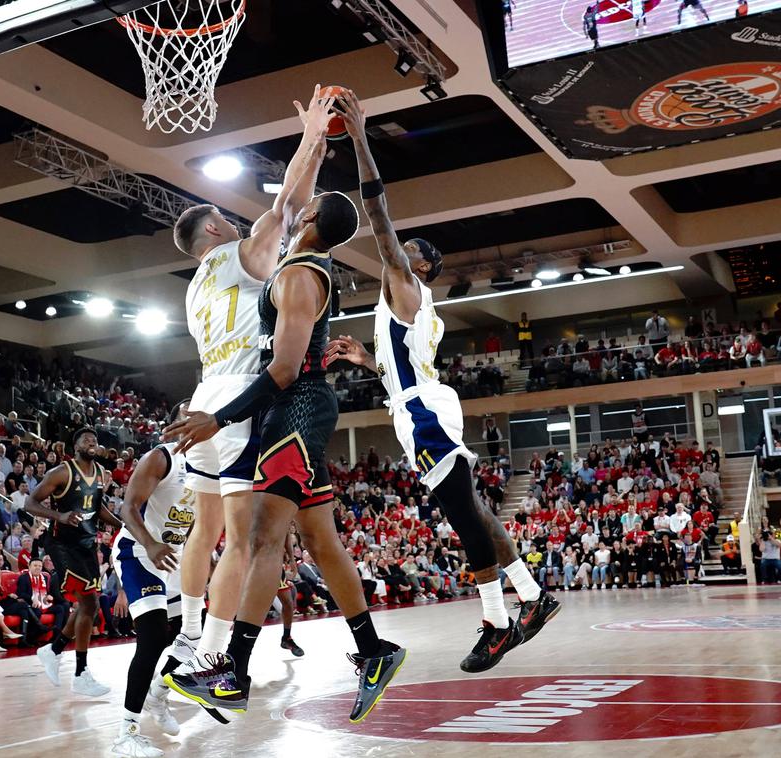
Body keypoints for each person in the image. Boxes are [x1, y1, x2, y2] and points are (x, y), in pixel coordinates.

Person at [166, 117, 403, 721]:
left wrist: (218, 419)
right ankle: (374, 651)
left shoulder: (297, 272)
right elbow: (291, 201)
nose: (296, 213)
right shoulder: (290, 268)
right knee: (320, 541)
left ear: (312, 222)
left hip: (290, 405)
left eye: (308, 211)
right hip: (293, 406)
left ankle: (231, 672)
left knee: (261, 539)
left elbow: (287, 368)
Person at [323, 90, 555, 673]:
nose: (398, 252)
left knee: (460, 515)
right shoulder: (412, 307)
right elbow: (408, 367)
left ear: (422, 265)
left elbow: (378, 216)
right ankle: (532, 594)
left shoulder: (404, 282)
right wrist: (368, 363)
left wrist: (357, 139)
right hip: (419, 399)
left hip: (421, 411)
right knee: (471, 508)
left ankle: (496, 623)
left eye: (409, 250)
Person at [168, 85, 332, 706]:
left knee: (202, 530)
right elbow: (291, 201)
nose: (236, 219)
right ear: (214, 226)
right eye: (225, 215)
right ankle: (213, 659)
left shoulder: (192, 290)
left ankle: (188, 634)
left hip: (201, 395)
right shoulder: (241, 253)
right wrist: (314, 137)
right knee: (242, 539)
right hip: (233, 402)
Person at [109, 438, 193, 757]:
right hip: (140, 550)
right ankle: (126, 734)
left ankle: (157, 693)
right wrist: (151, 544)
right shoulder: (163, 457)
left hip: (176, 558)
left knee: (197, 634)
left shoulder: (212, 465)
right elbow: (127, 509)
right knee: (154, 636)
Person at [24, 428, 121, 697]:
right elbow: (30, 503)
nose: (92, 442)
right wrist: (60, 515)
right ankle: (80, 673)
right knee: (88, 602)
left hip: (88, 543)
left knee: (91, 604)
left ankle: (53, 650)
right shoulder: (61, 473)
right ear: (75, 446)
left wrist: (122, 525)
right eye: (86, 439)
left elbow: (99, 508)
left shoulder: (103, 474)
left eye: (95, 440)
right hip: (62, 544)